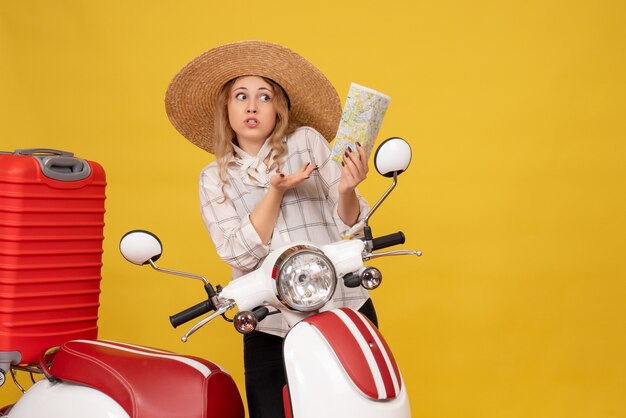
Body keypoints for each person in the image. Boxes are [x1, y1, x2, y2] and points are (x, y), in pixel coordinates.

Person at [164, 40, 378, 418]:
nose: (251, 106)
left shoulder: (307, 142)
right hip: (269, 319)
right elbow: (238, 253)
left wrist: (347, 188)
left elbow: (350, 223)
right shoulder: (214, 178)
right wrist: (275, 192)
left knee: (363, 406)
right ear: (226, 109)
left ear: (278, 109)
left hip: (344, 303)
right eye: (240, 96)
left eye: (264, 96)